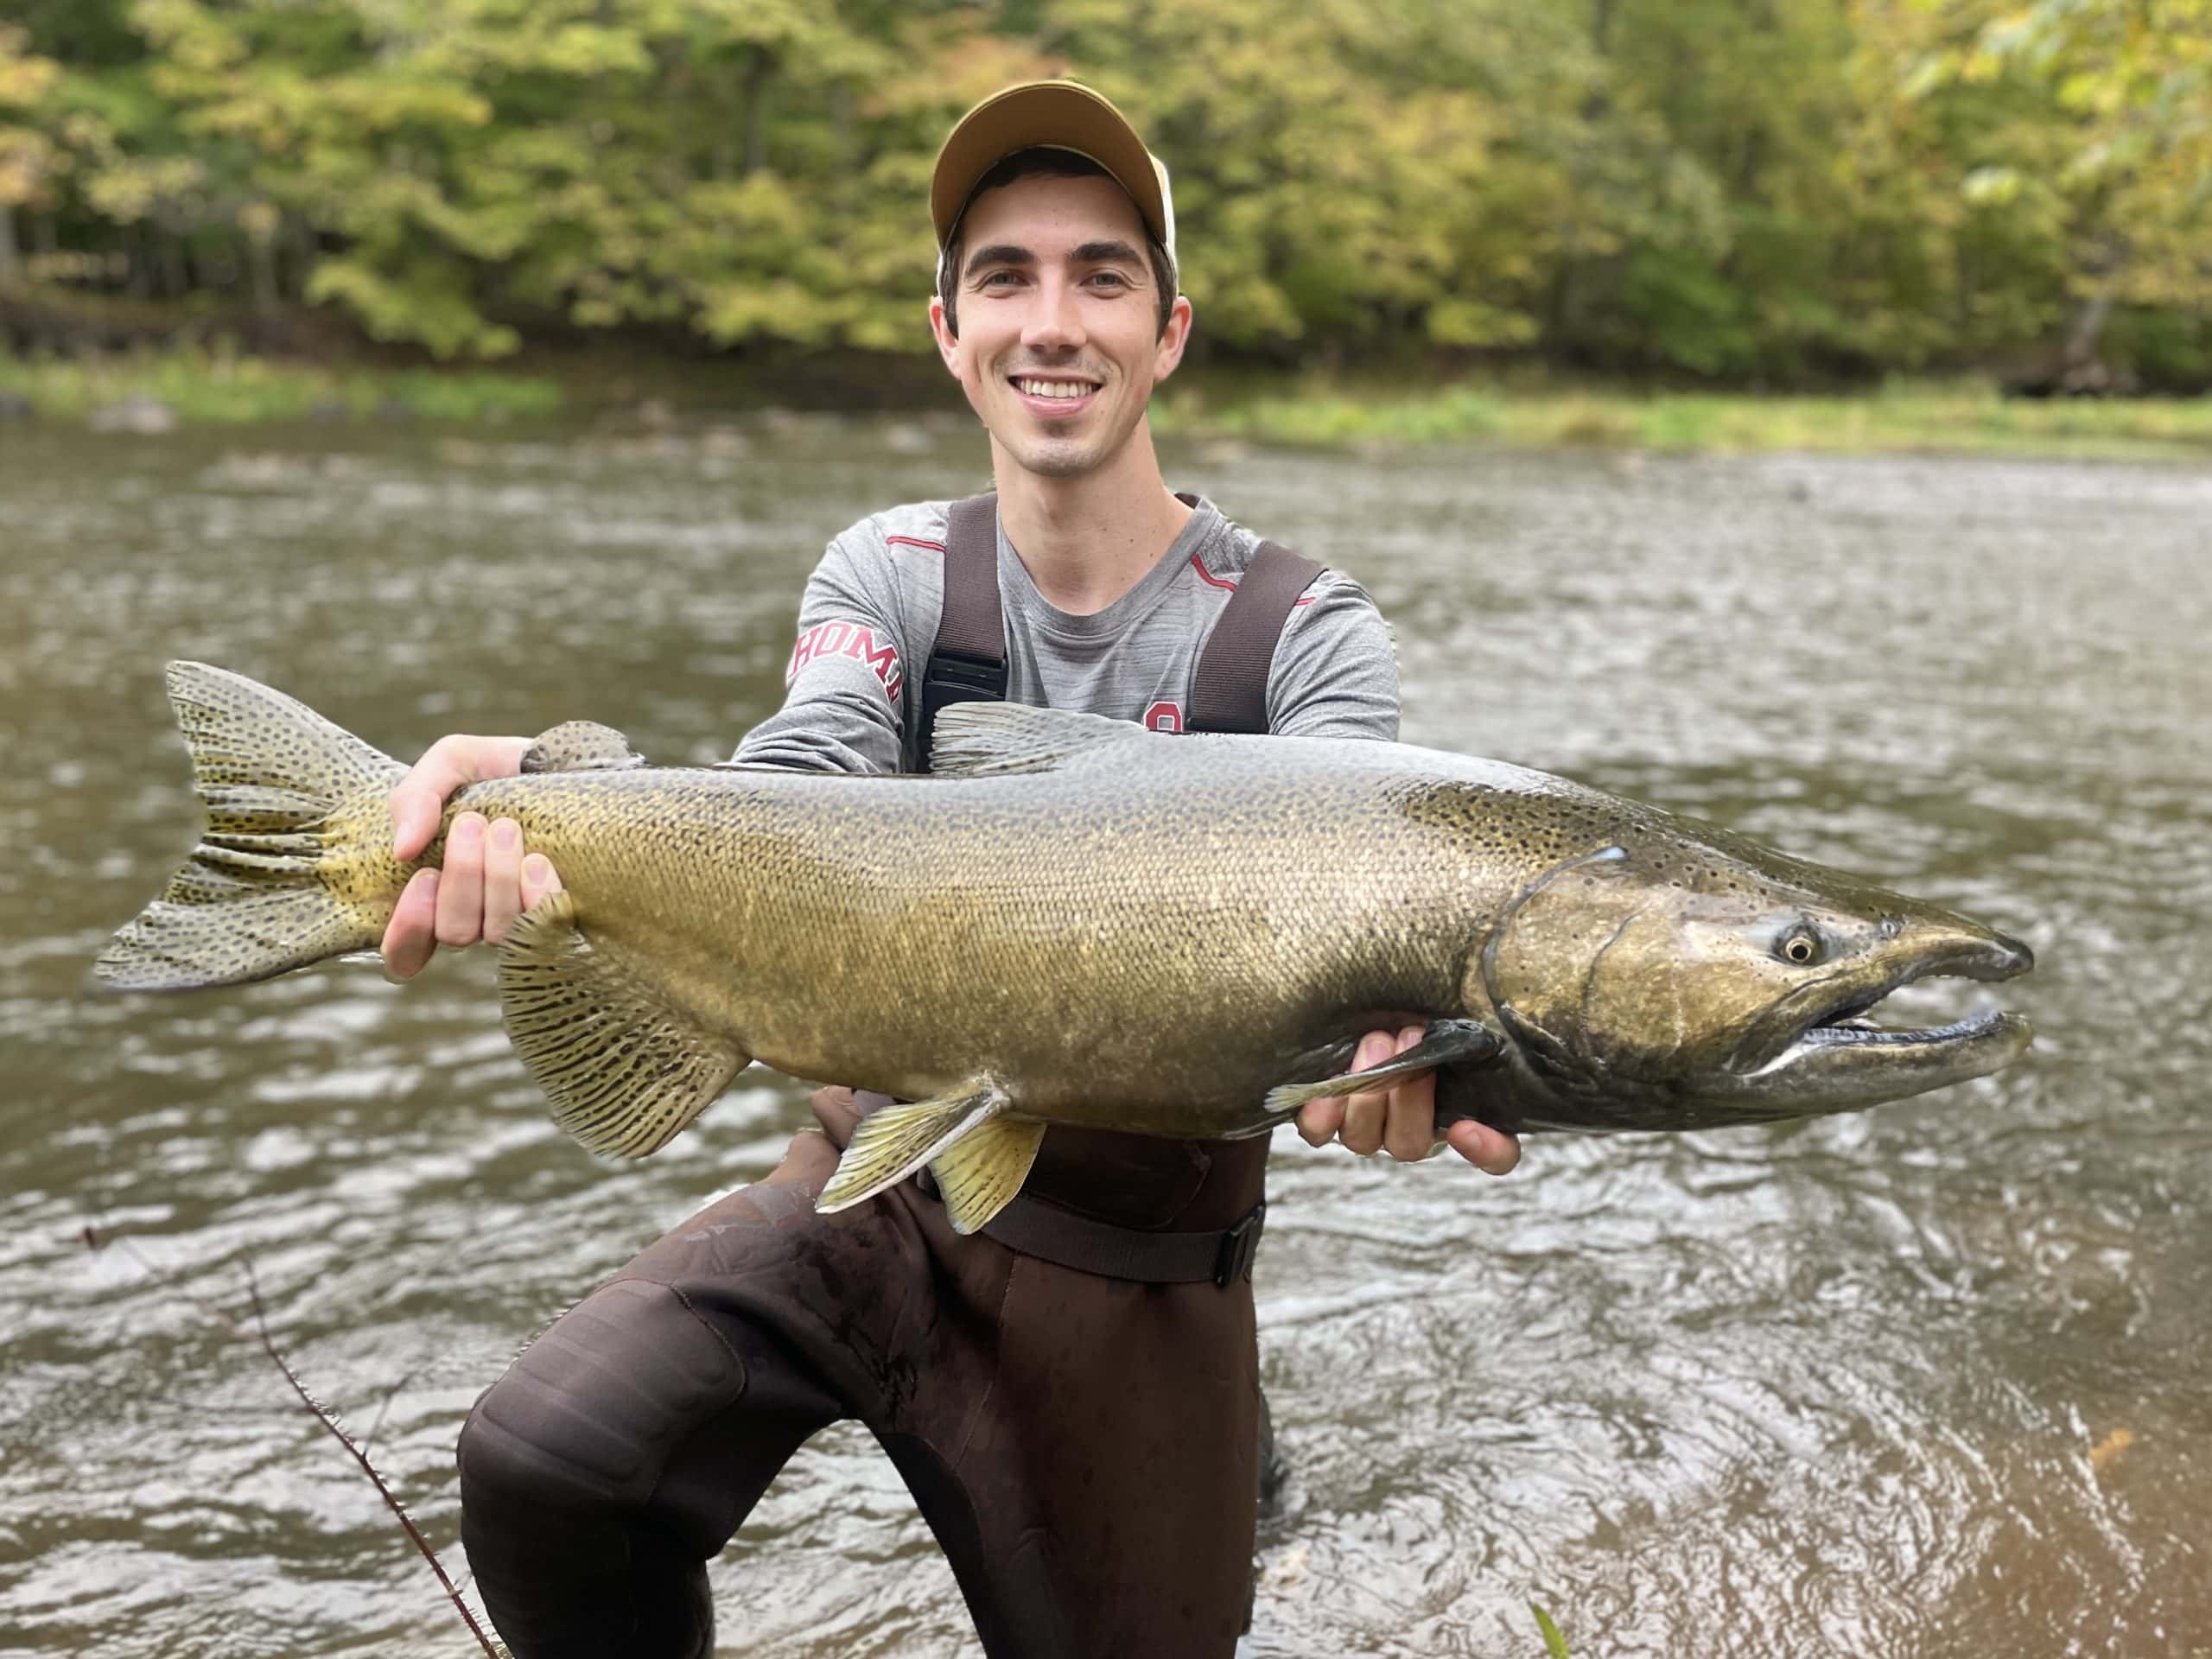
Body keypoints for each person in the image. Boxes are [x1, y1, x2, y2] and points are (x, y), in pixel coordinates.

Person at [382, 81, 1521, 1659]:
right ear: (948, 331)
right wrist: (569, 799)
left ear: (1169, 332)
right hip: (877, 1187)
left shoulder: (1305, 632)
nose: (1052, 321)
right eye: (1006, 277)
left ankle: (1242, 1466)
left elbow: (1375, 933)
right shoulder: (892, 570)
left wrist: (1399, 1066)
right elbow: (798, 788)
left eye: (1100, 276)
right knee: (546, 1463)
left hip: (1144, 1274)